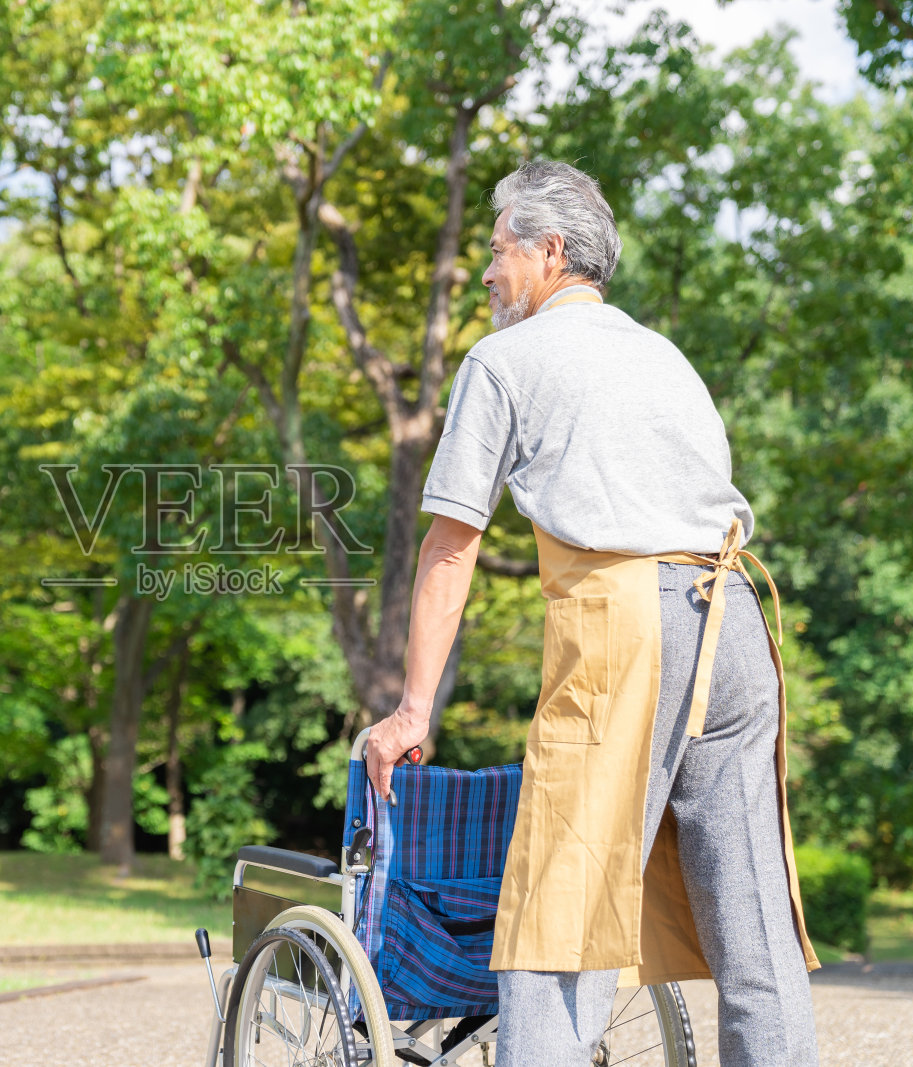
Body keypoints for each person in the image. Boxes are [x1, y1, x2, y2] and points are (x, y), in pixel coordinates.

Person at [364, 160, 821, 1066]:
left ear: (550, 251)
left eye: (498, 249)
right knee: (754, 923)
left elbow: (450, 546)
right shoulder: (663, 355)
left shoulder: (504, 360)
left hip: (627, 626)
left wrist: (413, 710)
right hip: (734, 620)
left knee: (561, 907)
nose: (486, 273)